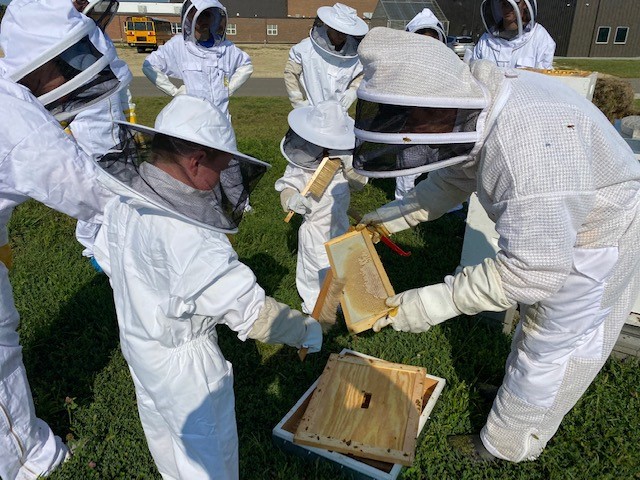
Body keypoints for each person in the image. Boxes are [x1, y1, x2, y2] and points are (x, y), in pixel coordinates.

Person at [354, 27, 640, 463]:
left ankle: (507, 445)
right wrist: (393, 216)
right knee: (534, 323)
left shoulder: (524, 152)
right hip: (569, 203)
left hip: (598, 232)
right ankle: (516, 399)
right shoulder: (485, 94)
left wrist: (427, 305)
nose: (407, 133)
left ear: (439, 105)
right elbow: (454, 175)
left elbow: (531, 272)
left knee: (553, 345)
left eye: (409, 119)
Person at [91, 94, 322, 479]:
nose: (224, 177)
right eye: (221, 166)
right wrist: (308, 330)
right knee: (207, 457)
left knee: (164, 436)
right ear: (196, 160)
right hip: (186, 370)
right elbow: (254, 316)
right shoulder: (192, 239)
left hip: (139, 346)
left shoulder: (122, 202)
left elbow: (107, 261)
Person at [0, 0, 131, 477]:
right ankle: (28, 462)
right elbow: (90, 192)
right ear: (39, 65)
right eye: (68, 64)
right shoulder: (17, 119)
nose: (73, 77)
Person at [275, 100, 367, 314]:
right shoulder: (303, 158)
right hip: (315, 229)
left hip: (340, 225)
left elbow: (360, 184)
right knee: (315, 270)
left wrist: (349, 166)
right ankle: (315, 308)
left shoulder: (345, 159)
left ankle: (342, 305)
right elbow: (287, 185)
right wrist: (291, 199)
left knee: (342, 266)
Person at [68, 0, 131, 267]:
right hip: (88, 134)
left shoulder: (103, 41)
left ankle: (111, 240)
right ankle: (90, 246)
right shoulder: (68, 46)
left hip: (115, 129)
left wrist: (128, 121)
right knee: (92, 192)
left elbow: (118, 85)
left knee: (116, 189)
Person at [142, 0, 252, 120]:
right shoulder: (178, 45)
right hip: (193, 119)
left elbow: (246, 65)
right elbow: (150, 66)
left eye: (207, 15)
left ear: (213, 17)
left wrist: (229, 88)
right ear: (189, 16)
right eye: (199, 15)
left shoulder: (225, 47)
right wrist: (174, 91)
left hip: (221, 119)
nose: (203, 19)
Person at [395, 8, 447, 201]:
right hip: (412, 128)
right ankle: (402, 202)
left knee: (443, 167)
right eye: (422, 39)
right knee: (408, 168)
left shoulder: (448, 66)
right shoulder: (403, 66)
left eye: (431, 40)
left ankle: (447, 205)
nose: (427, 44)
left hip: (440, 127)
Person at [284, 2, 368, 110]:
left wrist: (353, 90)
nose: (341, 36)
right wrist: (297, 101)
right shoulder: (306, 48)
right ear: (329, 26)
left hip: (338, 114)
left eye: (345, 32)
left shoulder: (355, 53)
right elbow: (290, 72)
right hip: (311, 111)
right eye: (338, 31)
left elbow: (362, 73)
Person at [472, 0, 555, 68]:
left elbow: (544, 79)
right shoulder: (486, 40)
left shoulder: (540, 37)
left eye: (515, 3)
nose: (507, 8)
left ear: (525, 4)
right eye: (504, 3)